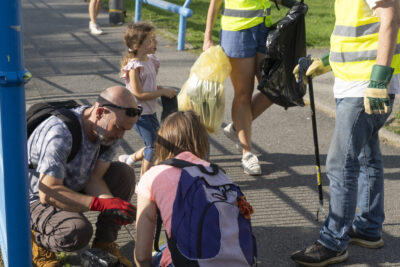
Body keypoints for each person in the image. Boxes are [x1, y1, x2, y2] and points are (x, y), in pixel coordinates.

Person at [291, 0, 400, 266]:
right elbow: (359, 33)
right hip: (357, 81)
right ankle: (369, 228)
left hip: (364, 85)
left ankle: (333, 242)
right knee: (366, 156)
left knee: (341, 164)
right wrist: (327, 62)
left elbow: (391, 19)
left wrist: (378, 79)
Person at [29, 86, 141, 267]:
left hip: (71, 184)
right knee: (77, 231)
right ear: (100, 113)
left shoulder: (106, 132)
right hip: (36, 197)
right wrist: (98, 203)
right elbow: (47, 192)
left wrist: (112, 205)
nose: (121, 136)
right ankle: (39, 242)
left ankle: (104, 243)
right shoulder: (60, 133)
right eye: (118, 128)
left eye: (125, 131)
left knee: (124, 174)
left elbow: (95, 178)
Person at [203, 0, 298, 176]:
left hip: (264, 29)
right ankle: (247, 153)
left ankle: (237, 128)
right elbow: (215, 3)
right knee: (243, 94)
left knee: (274, 87)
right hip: (237, 31)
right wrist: (207, 36)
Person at [134, 111, 209, 267]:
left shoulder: (153, 176)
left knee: (160, 254)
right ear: (202, 140)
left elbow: (142, 256)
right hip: (234, 259)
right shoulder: (217, 174)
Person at [118, 22, 177, 176]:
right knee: (152, 146)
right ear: (138, 45)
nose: (155, 43)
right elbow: (138, 94)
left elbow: (148, 87)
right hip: (137, 112)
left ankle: (130, 159)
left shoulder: (150, 60)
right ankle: (144, 181)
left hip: (149, 111)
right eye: (150, 40)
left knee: (157, 142)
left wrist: (161, 89)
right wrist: (161, 92)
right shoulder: (135, 66)